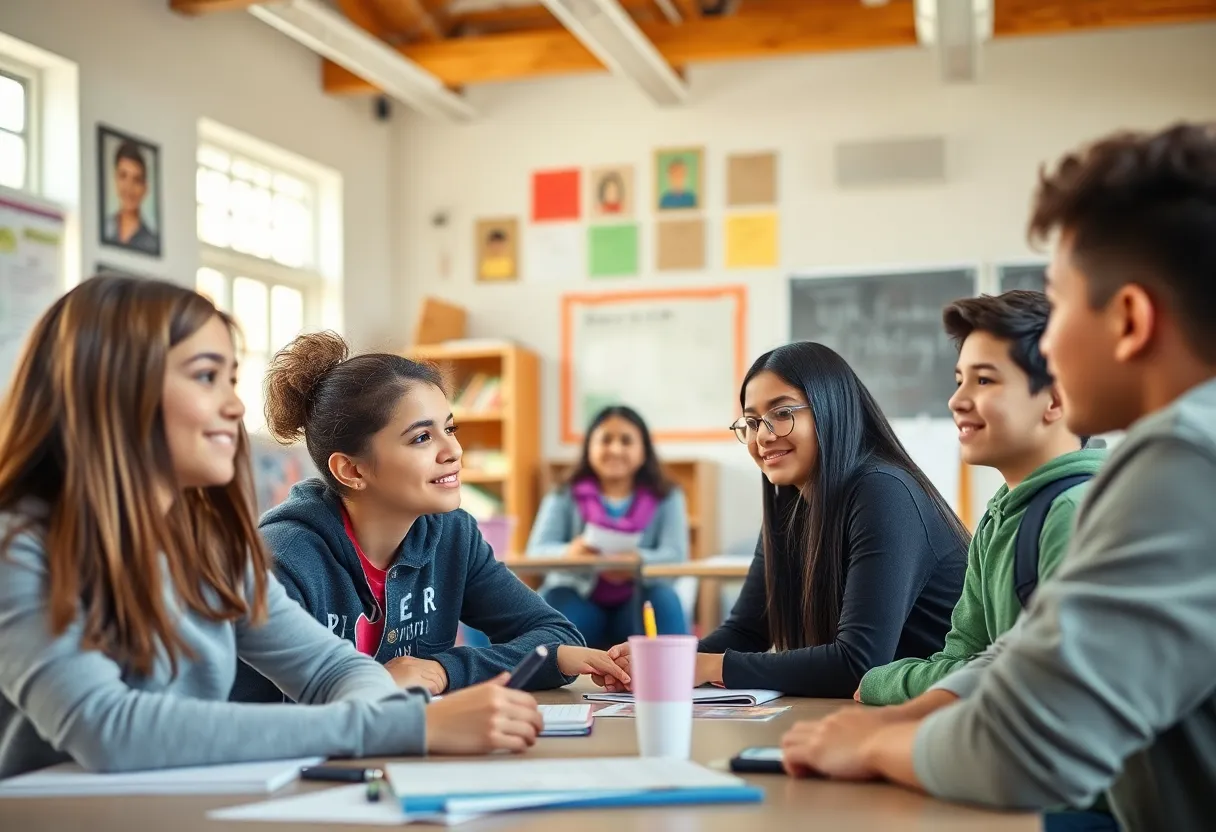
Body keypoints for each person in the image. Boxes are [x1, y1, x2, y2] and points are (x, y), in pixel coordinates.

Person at [778, 123, 1216, 832]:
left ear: (1130, 319)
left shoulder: (1181, 460)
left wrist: (883, 744)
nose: (1050, 339)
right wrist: (906, 719)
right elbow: (1024, 653)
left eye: (1060, 301)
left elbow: (1029, 744)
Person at [0, 276, 545, 779]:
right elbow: (107, 731)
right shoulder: (20, 546)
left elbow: (334, 669)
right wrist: (409, 726)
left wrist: (399, 709)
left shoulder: (210, 546)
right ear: (114, 389)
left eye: (232, 379)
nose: (235, 406)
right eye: (207, 377)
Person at [231, 332, 623, 704]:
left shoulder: (452, 534)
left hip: (410, 756)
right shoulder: (284, 557)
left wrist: (442, 670)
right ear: (351, 470)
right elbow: (276, 714)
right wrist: (379, 683)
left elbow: (556, 638)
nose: (452, 449)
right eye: (422, 437)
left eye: (449, 428)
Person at [596, 342, 969, 697]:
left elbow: (859, 662)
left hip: (947, 716)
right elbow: (746, 630)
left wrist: (709, 667)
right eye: (752, 422)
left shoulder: (883, 492)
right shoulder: (792, 505)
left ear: (831, 409)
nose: (764, 436)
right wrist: (659, 662)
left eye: (782, 414)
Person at [857, 290, 1105, 706]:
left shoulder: (1073, 512)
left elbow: (1030, 680)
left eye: (984, 380)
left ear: (1056, 400)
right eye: (959, 381)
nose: (956, 401)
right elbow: (962, 659)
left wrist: (880, 683)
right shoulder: (1000, 514)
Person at [525, 406, 690, 650]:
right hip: (578, 599)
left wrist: (636, 562)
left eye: (626, 441)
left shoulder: (667, 495)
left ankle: (673, 678)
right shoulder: (563, 492)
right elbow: (536, 552)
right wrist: (570, 553)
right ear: (589, 447)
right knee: (554, 601)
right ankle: (536, 676)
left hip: (637, 601)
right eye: (605, 440)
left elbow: (676, 557)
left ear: (643, 450)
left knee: (664, 599)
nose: (615, 449)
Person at [103, 140, 158, 254]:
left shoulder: (152, 242)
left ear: (145, 188)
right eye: (123, 176)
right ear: (115, 179)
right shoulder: (104, 228)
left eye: (137, 180)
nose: (129, 187)